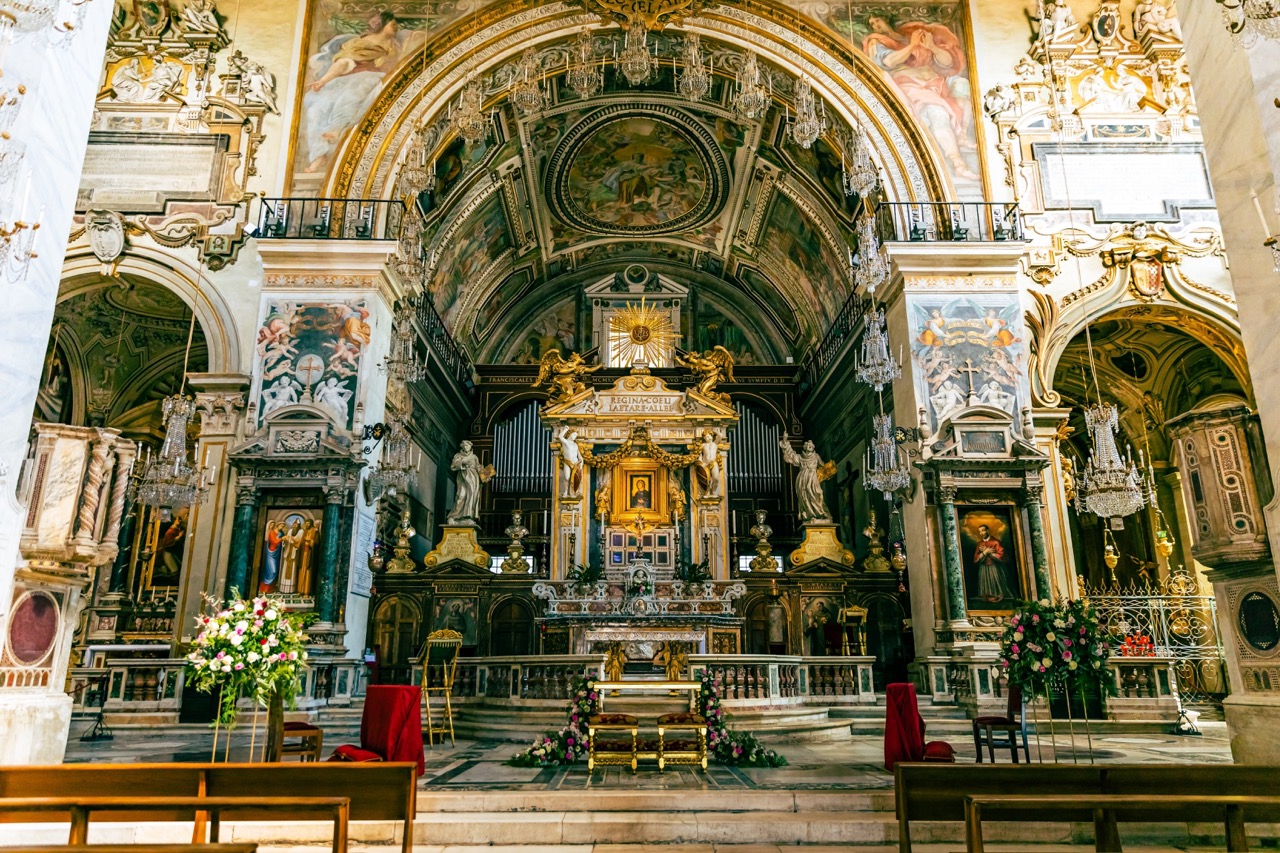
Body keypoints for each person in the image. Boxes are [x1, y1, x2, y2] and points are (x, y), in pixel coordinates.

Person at [861, 15, 978, 182]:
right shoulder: (878, 41)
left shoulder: (909, 34)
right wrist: (912, 45)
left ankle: (963, 135)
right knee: (937, 113)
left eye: (877, 20)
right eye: (871, 23)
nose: (875, 25)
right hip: (908, 85)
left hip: (935, 83)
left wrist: (932, 47)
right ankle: (958, 164)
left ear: (886, 18)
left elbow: (947, 63)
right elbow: (888, 61)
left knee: (962, 89)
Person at [779, 434, 833, 524]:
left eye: (811, 445)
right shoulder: (800, 457)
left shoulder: (816, 456)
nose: (809, 446)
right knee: (805, 497)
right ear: (804, 447)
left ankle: (822, 514)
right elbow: (791, 455)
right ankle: (809, 515)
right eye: (808, 445)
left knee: (816, 494)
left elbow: (823, 466)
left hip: (812, 479)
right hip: (802, 479)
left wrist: (829, 471)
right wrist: (785, 440)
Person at [973, 524, 1015, 603]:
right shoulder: (979, 544)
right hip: (983, 568)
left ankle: (998, 598)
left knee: (997, 586)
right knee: (985, 589)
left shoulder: (996, 542)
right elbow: (976, 558)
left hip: (995, 568)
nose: (981, 533)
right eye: (980, 531)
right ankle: (988, 598)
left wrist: (990, 553)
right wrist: (985, 552)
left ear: (987, 531)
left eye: (983, 530)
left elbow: (1002, 556)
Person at [446, 440, 484, 524]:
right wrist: (462, 462)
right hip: (463, 477)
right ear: (462, 447)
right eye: (465, 446)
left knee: (471, 496)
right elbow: (453, 466)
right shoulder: (458, 455)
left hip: (473, 478)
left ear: (470, 447)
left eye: (468, 446)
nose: (466, 447)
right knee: (461, 496)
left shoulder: (474, 457)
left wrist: (484, 473)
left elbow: (478, 467)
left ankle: (467, 516)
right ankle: (454, 516)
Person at [260, 521, 283, 592]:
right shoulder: (272, 533)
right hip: (271, 553)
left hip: (277, 553)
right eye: (281, 526)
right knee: (272, 571)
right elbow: (274, 542)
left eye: (283, 526)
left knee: (275, 571)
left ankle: (271, 587)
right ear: (278, 525)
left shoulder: (281, 533)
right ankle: (264, 588)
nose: (282, 527)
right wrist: (282, 538)